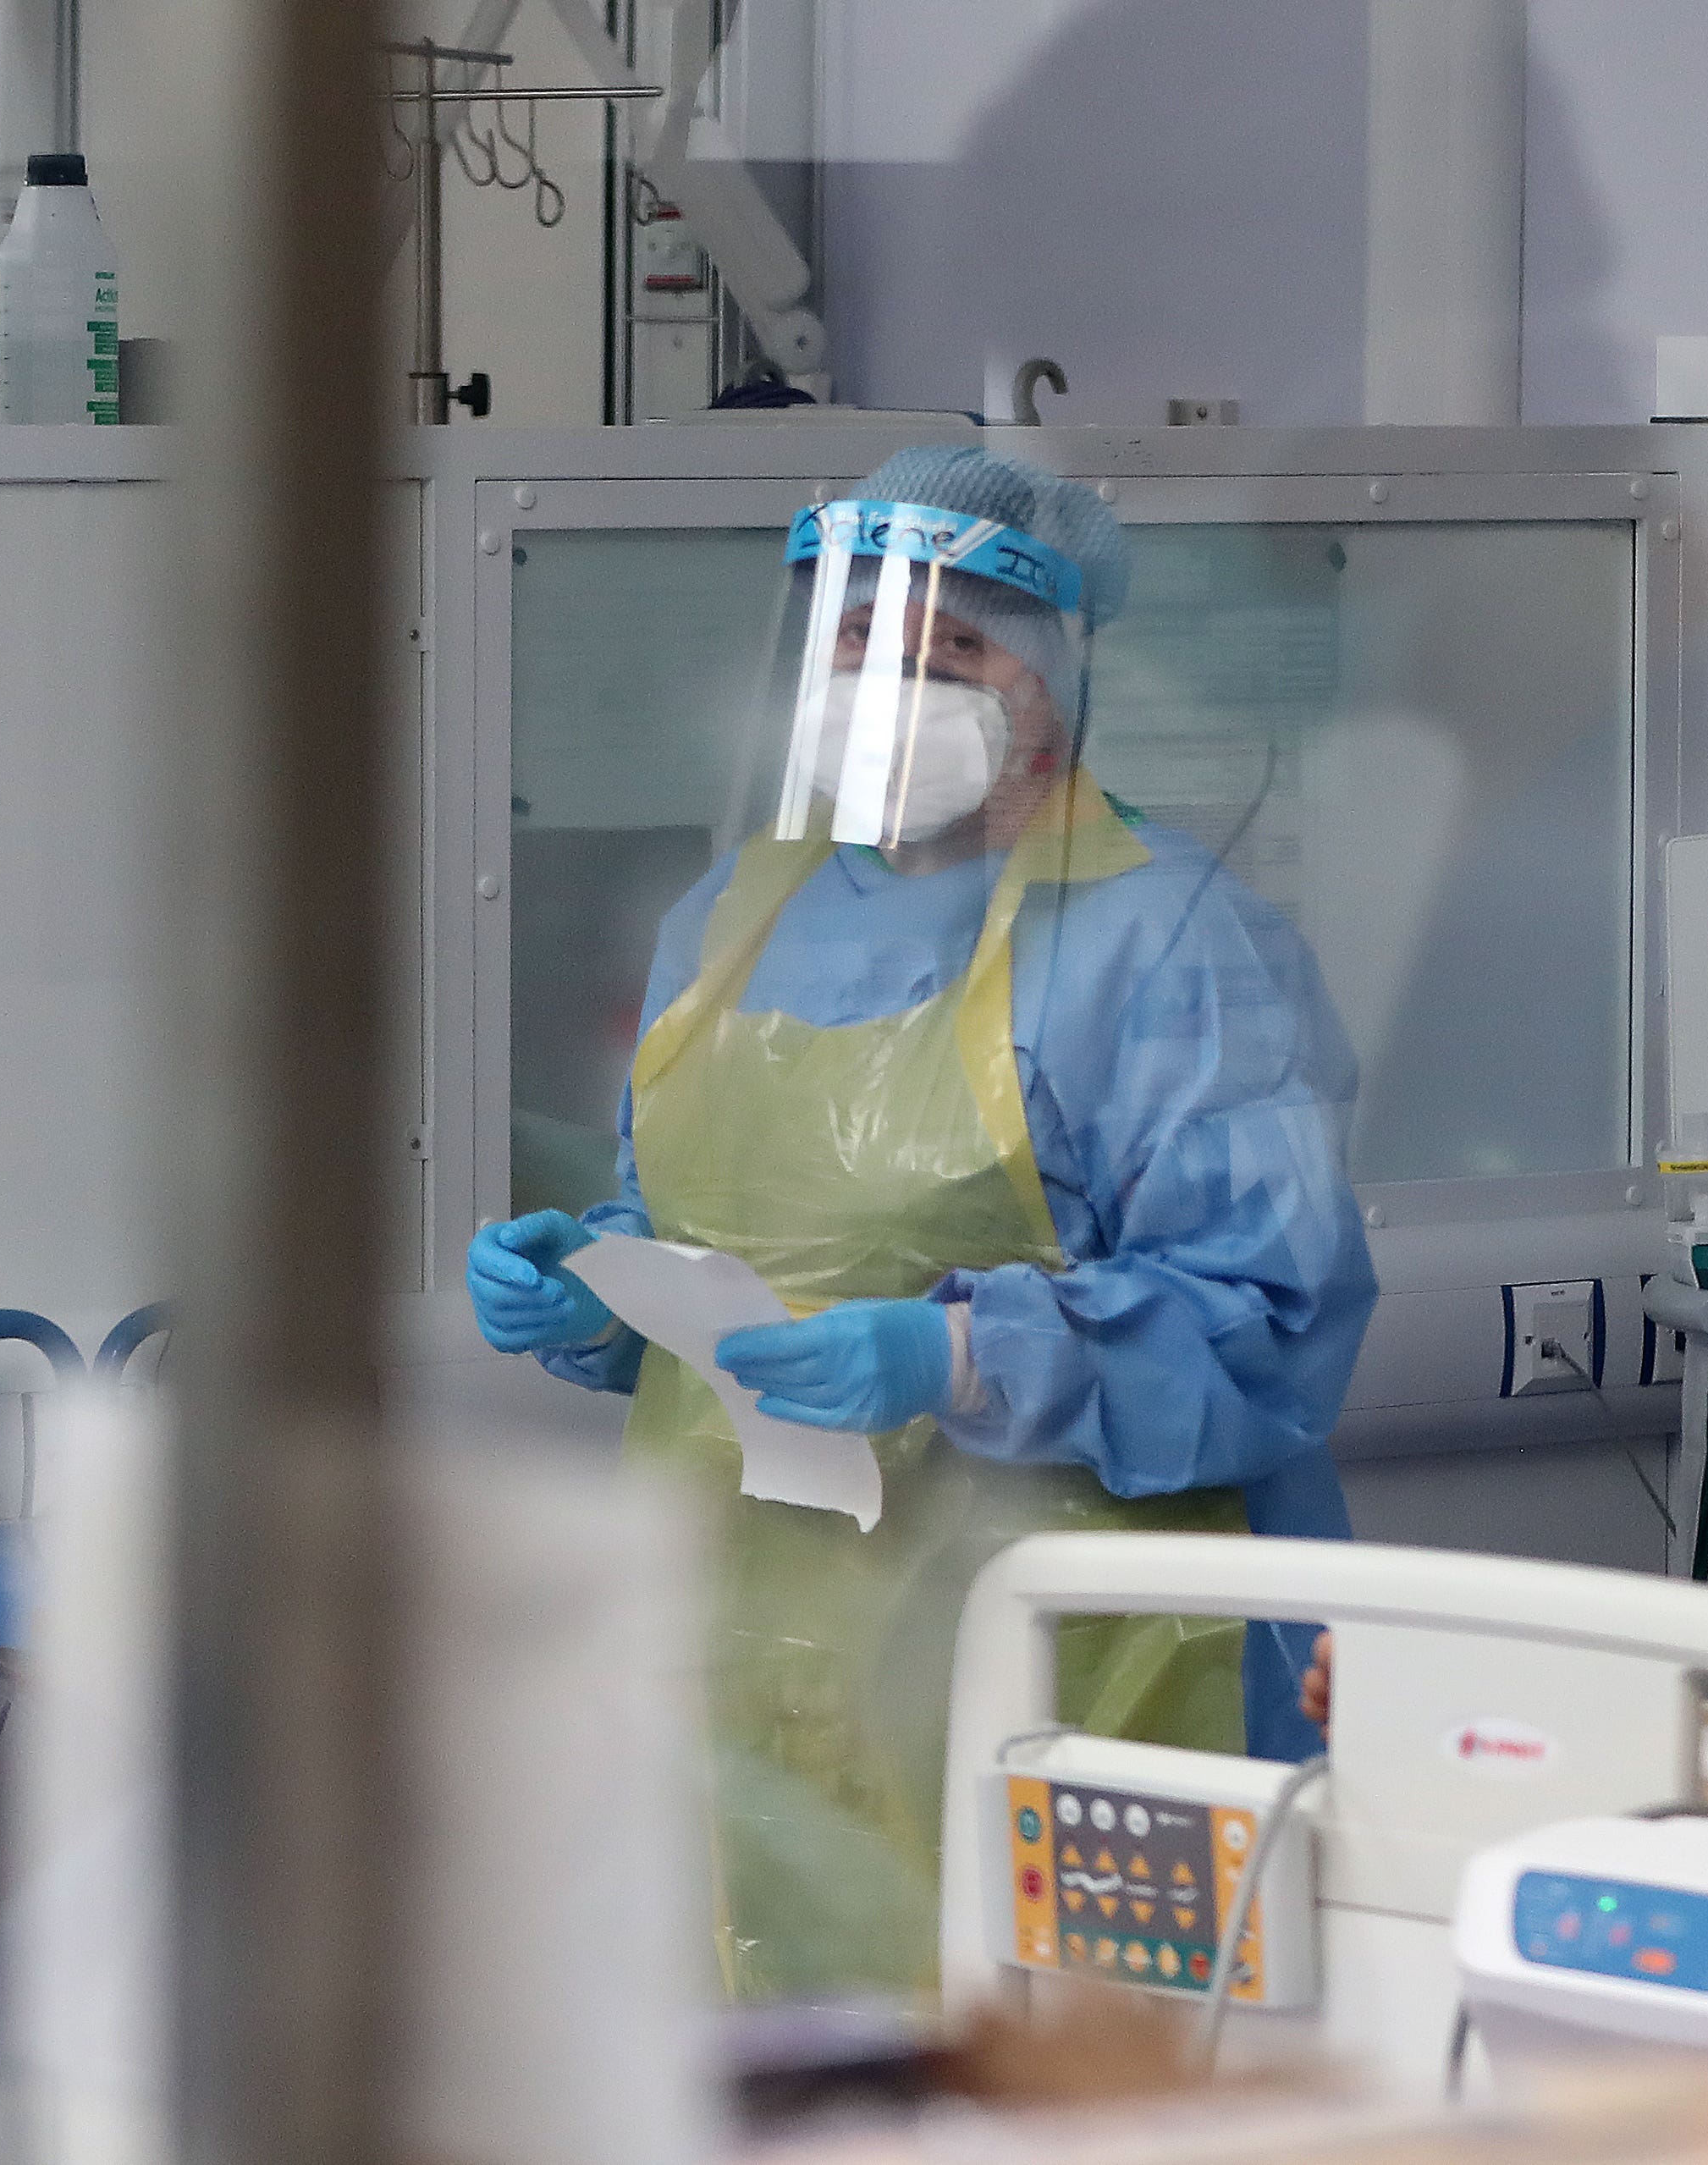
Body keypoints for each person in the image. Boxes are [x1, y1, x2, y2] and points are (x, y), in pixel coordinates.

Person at [463, 444, 1376, 2002]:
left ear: (1053, 677)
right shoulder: (731, 918)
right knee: (782, 2046)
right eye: (855, 640)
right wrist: (613, 1293)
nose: (893, 681)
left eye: (951, 644)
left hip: (1085, 1644)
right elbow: (738, 1241)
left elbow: (1270, 1327)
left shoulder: (1175, 942)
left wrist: (956, 1356)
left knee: (1073, 2066)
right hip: (762, 1631)